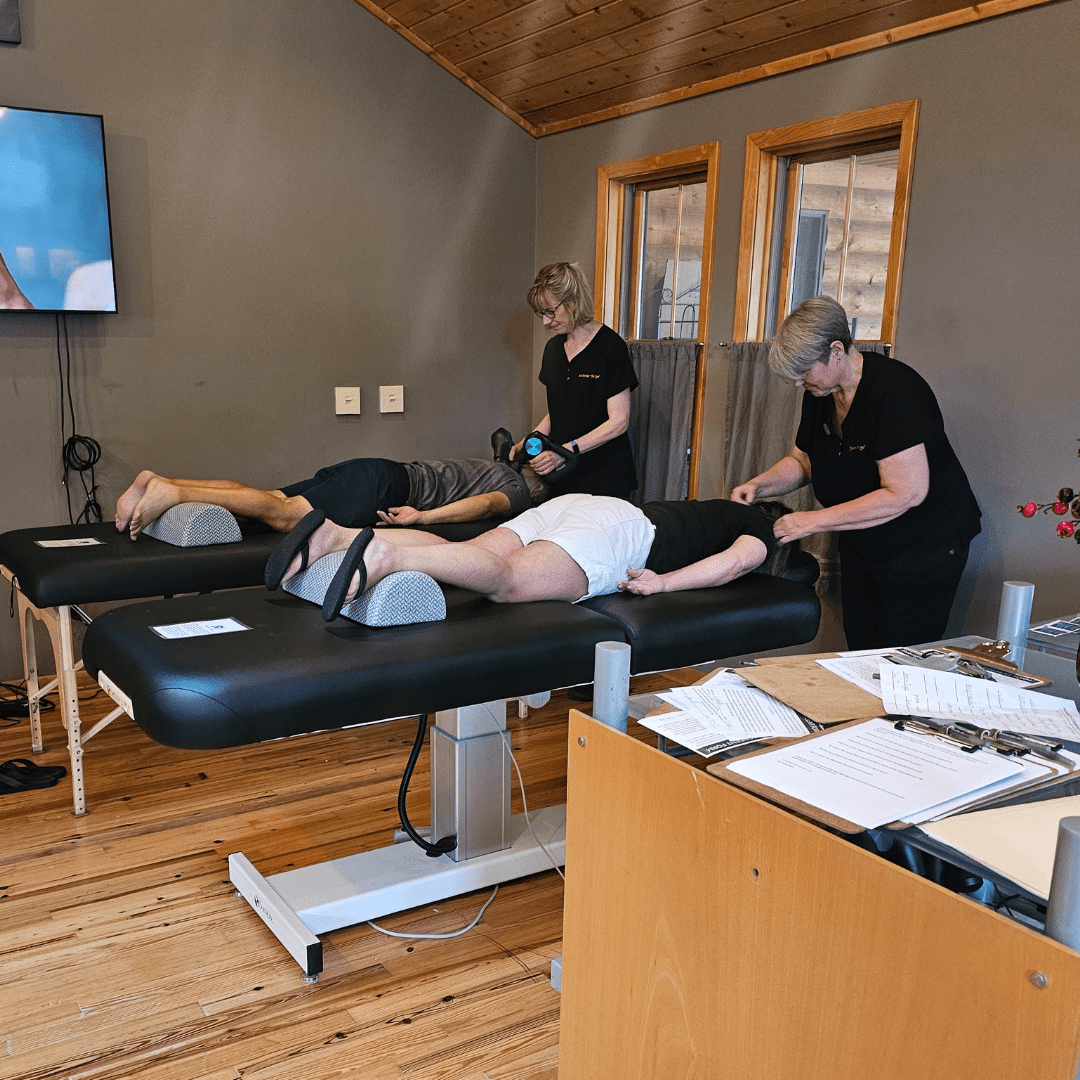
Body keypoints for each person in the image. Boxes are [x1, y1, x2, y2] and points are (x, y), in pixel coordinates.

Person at [731, 296, 981, 650]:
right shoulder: (821, 391)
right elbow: (803, 461)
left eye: (804, 371)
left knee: (899, 659)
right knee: (861, 651)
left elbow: (905, 492)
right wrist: (760, 485)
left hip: (922, 545)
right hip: (865, 538)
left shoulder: (895, 392)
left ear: (836, 350)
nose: (798, 383)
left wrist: (813, 521)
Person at [266, 492, 780, 620]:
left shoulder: (716, 505)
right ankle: (384, 558)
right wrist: (661, 583)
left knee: (468, 554)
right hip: (622, 535)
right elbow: (738, 562)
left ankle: (336, 535)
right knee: (507, 581)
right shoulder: (761, 523)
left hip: (583, 505)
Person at [115, 456, 549, 540]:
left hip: (372, 469)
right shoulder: (517, 489)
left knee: (271, 497)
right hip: (388, 489)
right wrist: (424, 518)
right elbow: (489, 506)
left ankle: (161, 479)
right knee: (285, 516)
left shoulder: (491, 464)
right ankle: (172, 492)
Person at [517, 262, 638, 500]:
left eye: (551, 312)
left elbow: (619, 422)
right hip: (562, 477)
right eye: (541, 314)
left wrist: (565, 451)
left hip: (606, 479)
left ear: (573, 302)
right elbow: (559, 412)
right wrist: (525, 444)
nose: (545, 322)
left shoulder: (610, 348)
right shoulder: (553, 349)